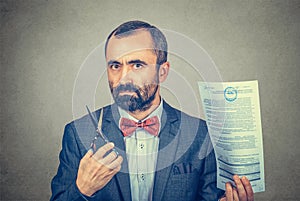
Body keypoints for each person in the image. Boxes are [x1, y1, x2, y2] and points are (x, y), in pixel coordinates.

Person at [51, 20, 254, 201]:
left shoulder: (200, 134)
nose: (123, 77)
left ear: (162, 72)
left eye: (137, 65)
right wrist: (82, 190)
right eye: (115, 65)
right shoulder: (77, 134)